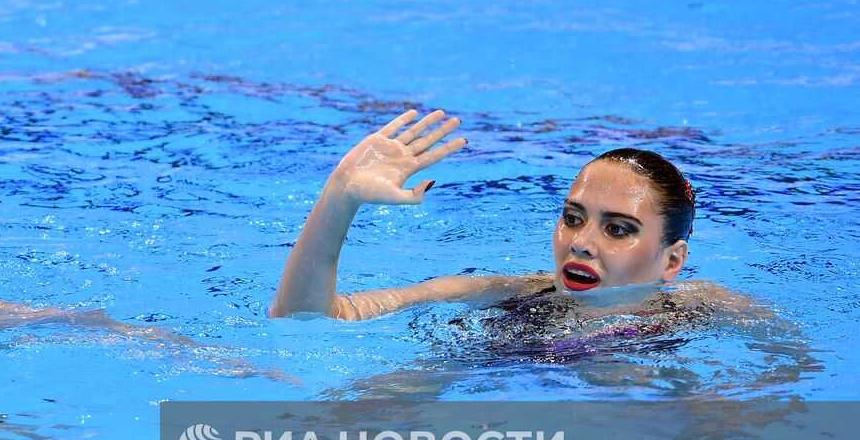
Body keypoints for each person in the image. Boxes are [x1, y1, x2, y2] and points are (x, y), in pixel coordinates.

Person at [269, 109, 700, 321]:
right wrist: (339, 198)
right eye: (572, 218)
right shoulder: (502, 295)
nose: (581, 242)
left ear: (672, 261)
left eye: (617, 229)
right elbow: (310, 318)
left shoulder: (708, 317)